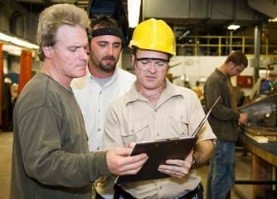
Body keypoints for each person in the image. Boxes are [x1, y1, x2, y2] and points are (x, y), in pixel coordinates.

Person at [10, 4, 147, 199]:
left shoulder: (63, 89)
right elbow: (42, 164)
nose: (84, 56)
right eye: (73, 49)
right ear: (48, 50)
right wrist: (102, 162)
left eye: (84, 48)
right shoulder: (42, 95)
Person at [102, 18, 216, 199]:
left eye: (160, 63)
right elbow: (108, 162)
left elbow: (208, 144)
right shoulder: (117, 109)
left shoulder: (188, 99)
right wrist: (120, 164)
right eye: (145, 61)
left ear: (169, 64)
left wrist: (192, 159)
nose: (152, 70)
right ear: (133, 60)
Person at [71, 16, 135, 152]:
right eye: (102, 45)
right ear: (88, 46)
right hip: (79, 170)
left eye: (116, 45)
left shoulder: (133, 86)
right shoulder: (71, 86)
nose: (110, 52)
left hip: (119, 171)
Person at [204, 51, 249, 199]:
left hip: (226, 134)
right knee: (222, 176)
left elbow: (226, 104)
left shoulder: (225, 78)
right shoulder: (215, 80)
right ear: (230, 64)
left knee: (218, 174)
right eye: (238, 70)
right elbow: (216, 109)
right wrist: (237, 115)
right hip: (221, 136)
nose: (238, 74)